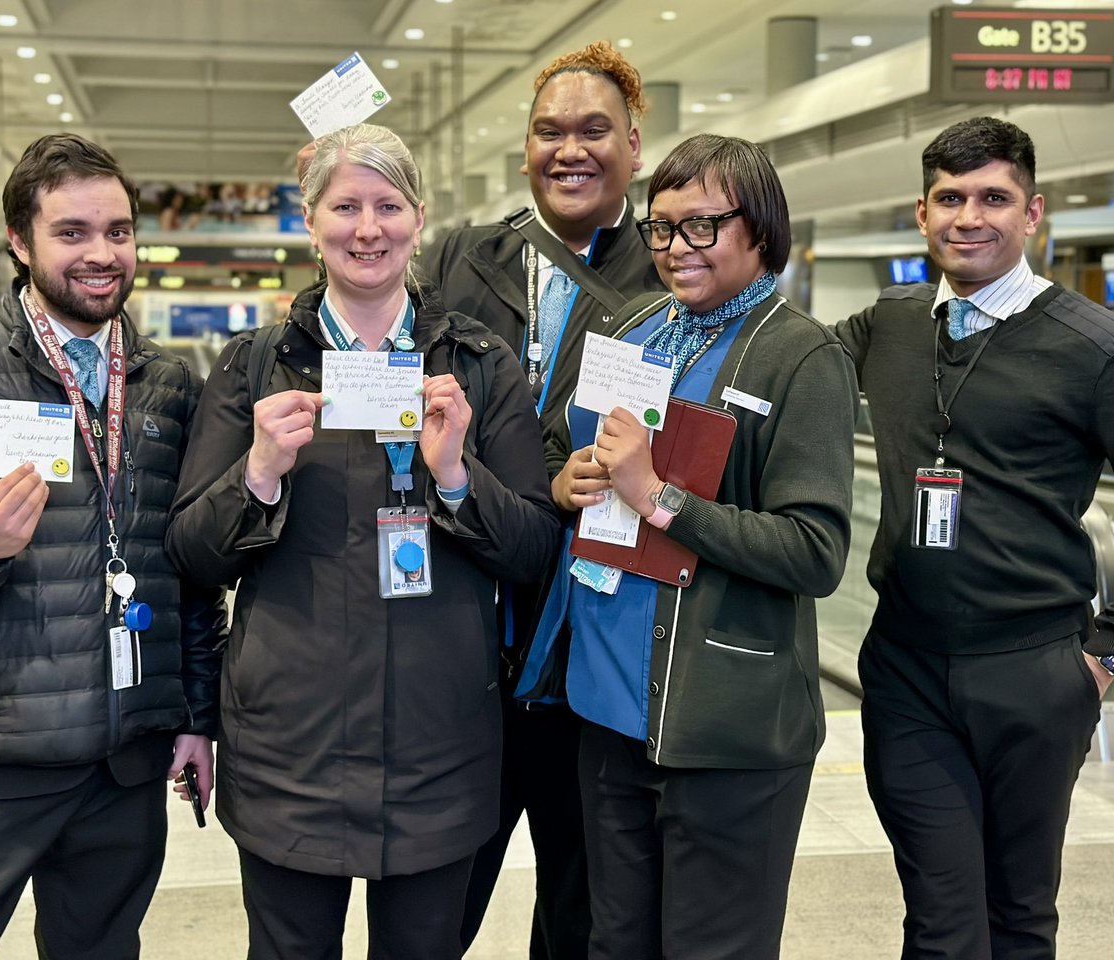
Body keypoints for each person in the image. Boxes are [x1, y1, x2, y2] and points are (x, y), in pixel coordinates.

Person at [165, 122, 557, 960]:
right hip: (288, 752)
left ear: (419, 217)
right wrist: (259, 473)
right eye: (345, 206)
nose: (366, 228)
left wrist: (457, 476)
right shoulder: (254, 366)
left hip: (438, 749)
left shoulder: (482, 368)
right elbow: (192, 552)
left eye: (387, 205)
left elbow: (533, 553)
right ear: (311, 222)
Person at [520, 133, 857, 959]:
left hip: (722, 732)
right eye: (662, 228)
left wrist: (662, 500)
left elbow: (815, 551)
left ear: (760, 230)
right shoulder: (635, 327)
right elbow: (569, 447)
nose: (676, 248)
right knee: (614, 945)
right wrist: (569, 482)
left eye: (702, 226)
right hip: (606, 713)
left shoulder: (800, 357)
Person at [0, 134, 224, 958]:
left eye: (118, 232)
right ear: (21, 241)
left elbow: (187, 570)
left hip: (124, 766)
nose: (102, 254)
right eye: (73, 232)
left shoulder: (168, 384)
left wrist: (198, 716)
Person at [835, 116, 1114, 959]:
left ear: (1033, 214)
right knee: (942, 922)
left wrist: (1105, 652)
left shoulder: (1090, 346)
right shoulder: (889, 323)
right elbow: (781, 374)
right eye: (950, 198)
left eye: (994, 198)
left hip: (1034, 670)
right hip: (907, 670)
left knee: (1020, 916)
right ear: (922, 213)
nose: (969, 217)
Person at [422, 39, 662, 956]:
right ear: (524, 147)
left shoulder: (666, 278)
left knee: (583, 906)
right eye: (549, 130)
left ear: (633, 147)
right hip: (464, 635)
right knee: (435, 900)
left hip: (592, 644)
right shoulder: (459, 260)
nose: (571, 149)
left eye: (594, 130)